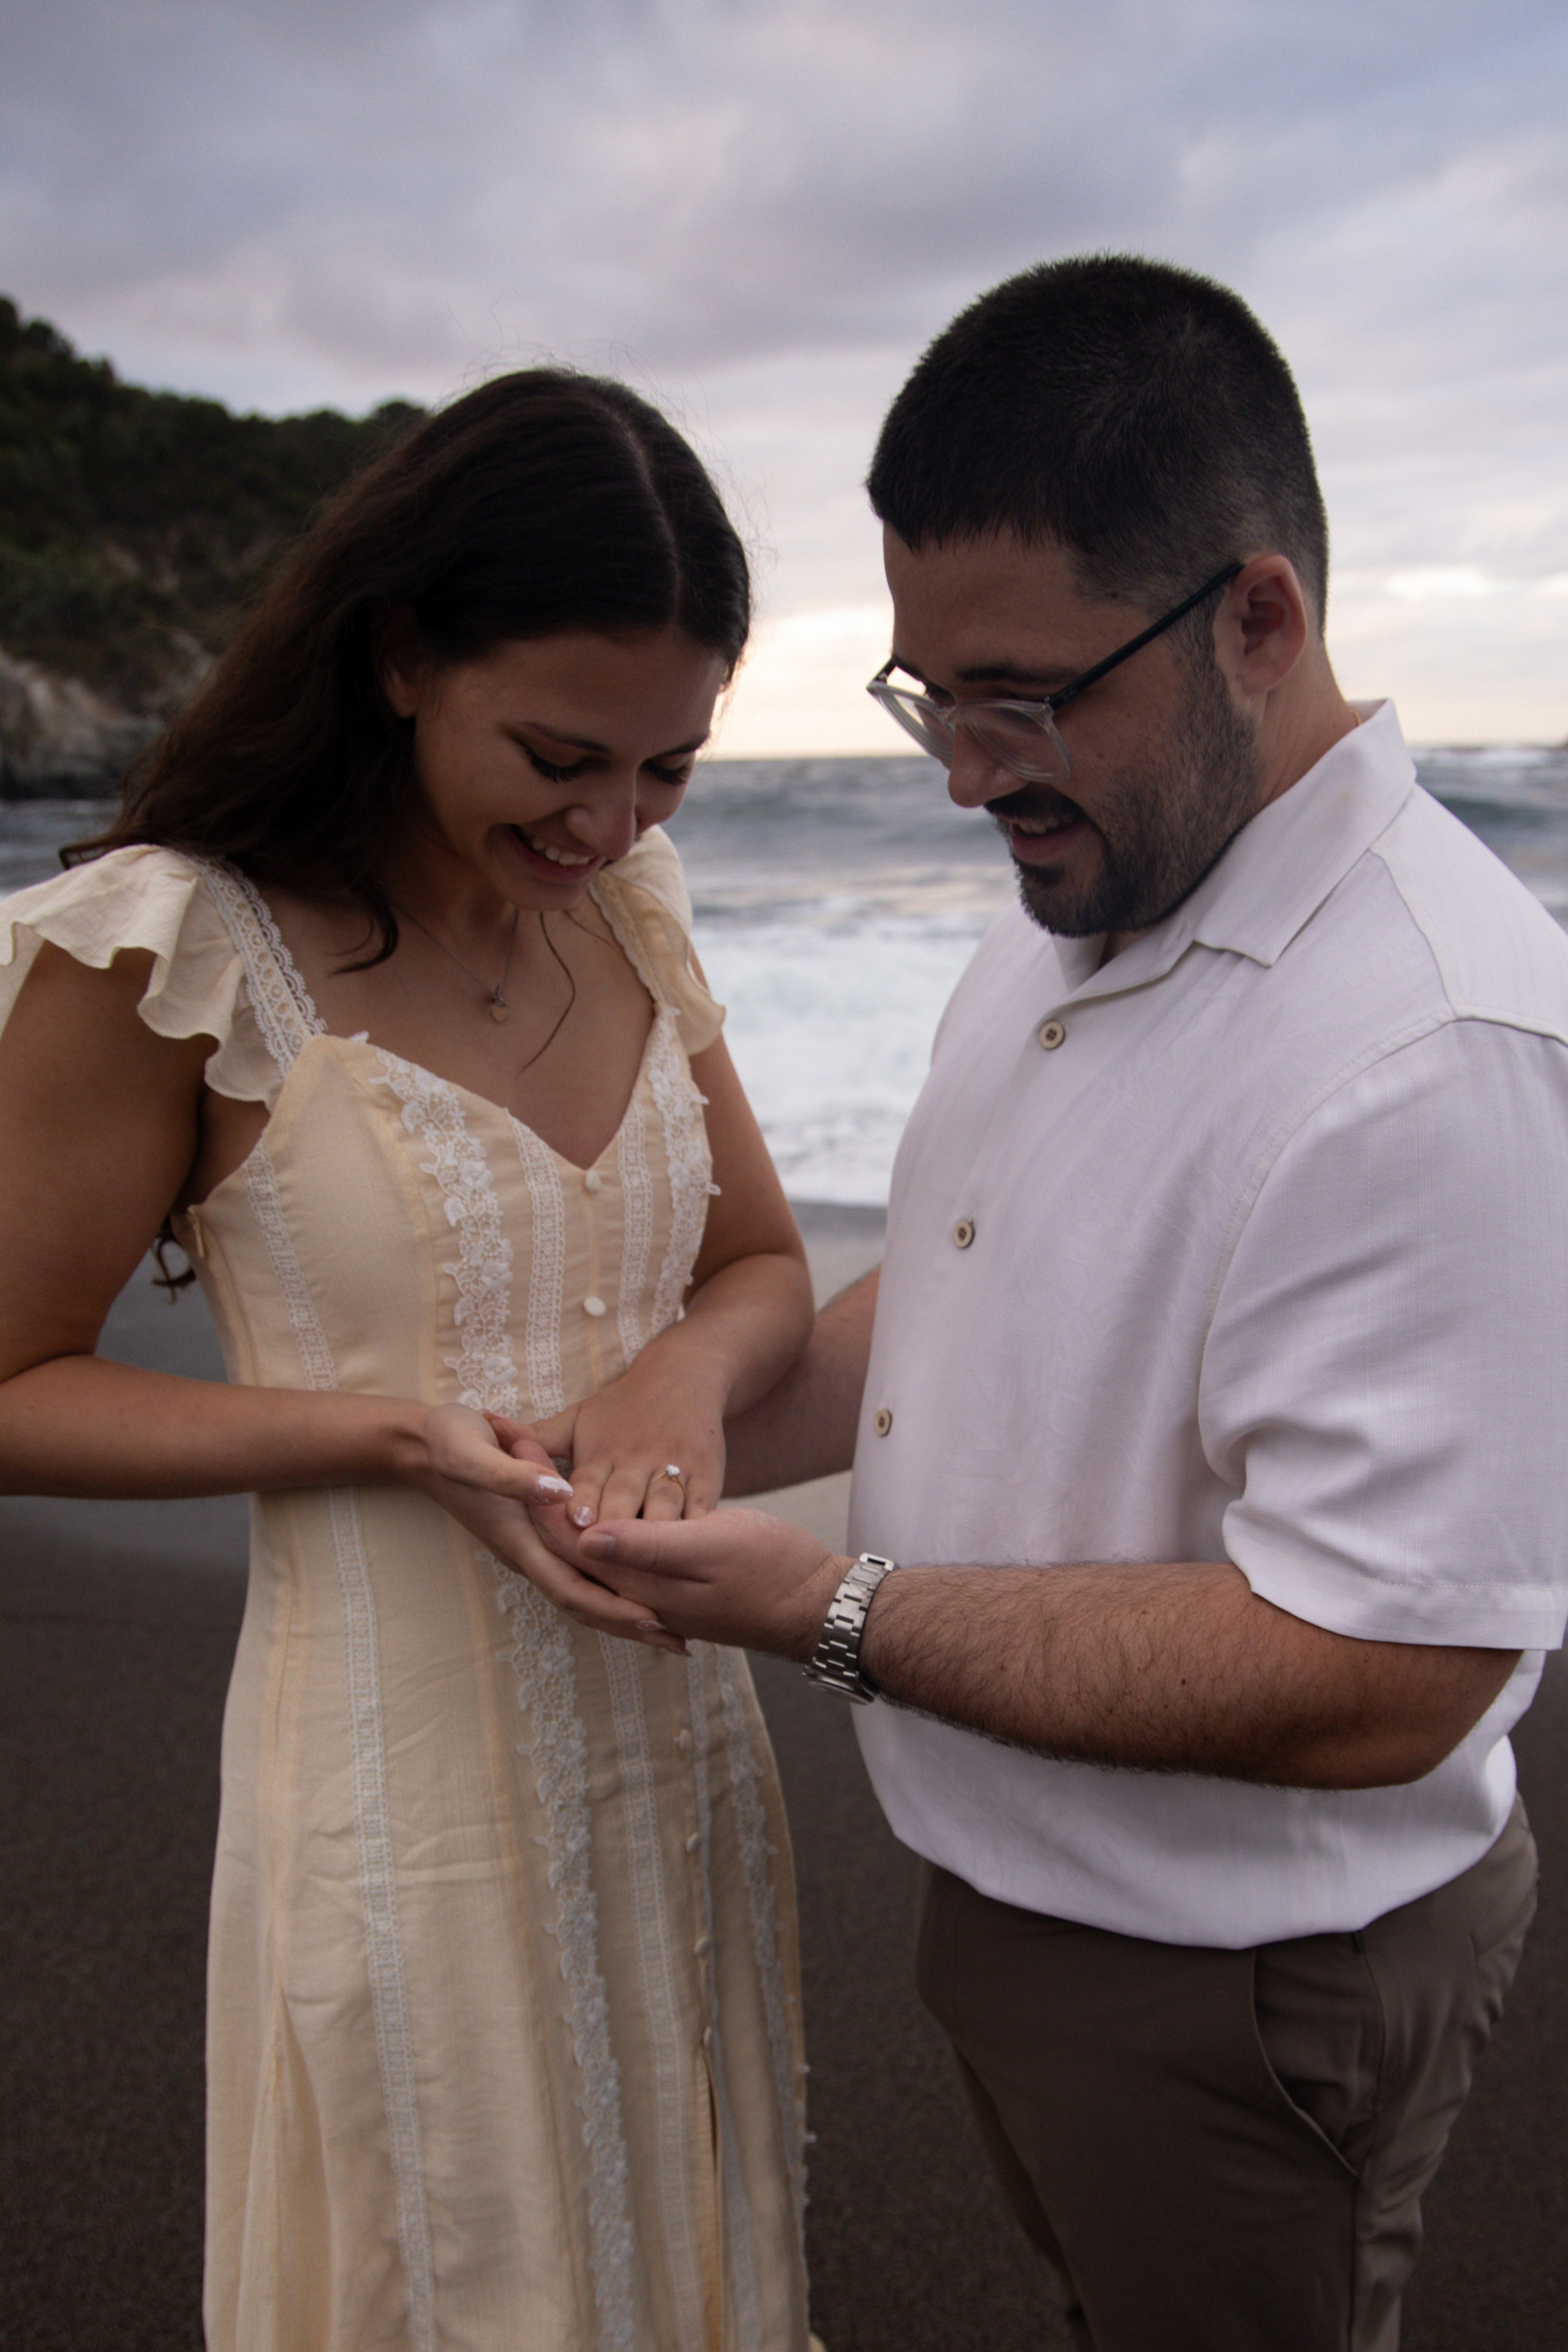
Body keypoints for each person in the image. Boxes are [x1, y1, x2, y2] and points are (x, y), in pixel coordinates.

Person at [531, 258, 1568, 2352]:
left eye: (1020, 693)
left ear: (1257, 624)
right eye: (930, 696)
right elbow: (992, 1278)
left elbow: (1389, 1671)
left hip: (1246, 1981)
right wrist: (685, 1418)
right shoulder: (1088, 883)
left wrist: (816, 1608)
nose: (961, 772)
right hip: (1019, 1885)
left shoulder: (1443, 1051)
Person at [0, 372, 818, 2351]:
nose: (613, 820)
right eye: (560, 752)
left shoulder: (630, 913)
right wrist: (386, 1433)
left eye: (672, 769)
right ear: (394, 654)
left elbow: (766, 1263)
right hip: (398, 1778)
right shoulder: (173, 951)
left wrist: (678, 1380)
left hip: (672, 1744)